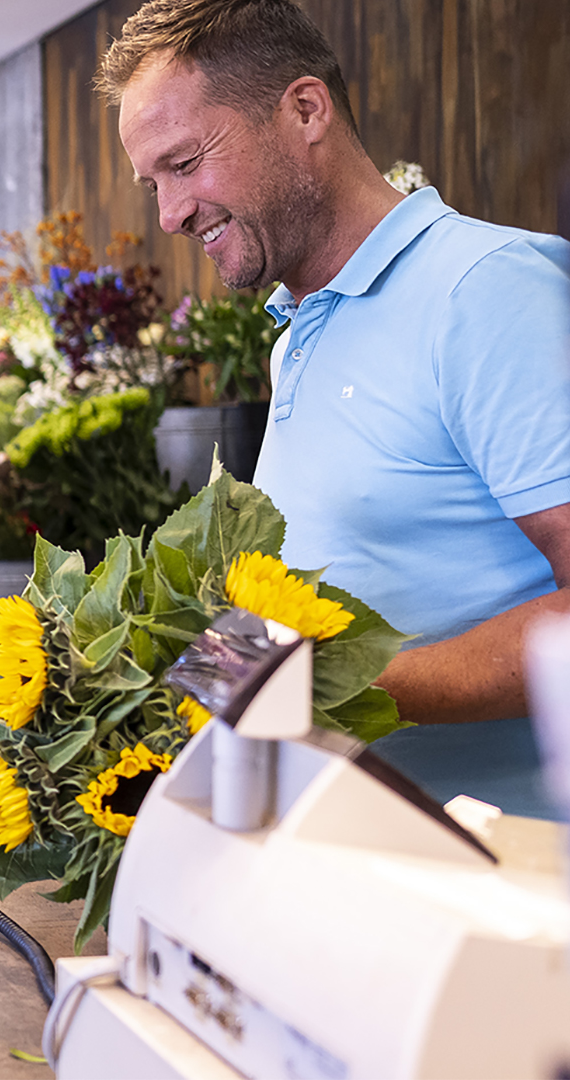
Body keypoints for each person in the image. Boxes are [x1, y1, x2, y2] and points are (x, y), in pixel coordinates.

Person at [99, 0, 570, 815]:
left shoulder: (484, 290)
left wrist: (341, 683)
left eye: (185, 164)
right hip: (352, 866)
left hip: (510, 886)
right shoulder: (297, 334)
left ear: (305, 110)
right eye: (154, 185)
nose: (170, 214)